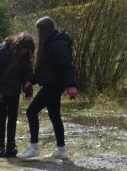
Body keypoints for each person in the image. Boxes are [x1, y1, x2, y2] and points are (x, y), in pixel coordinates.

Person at [16, 16, 79, 160]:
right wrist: (31, 81)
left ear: (45, 30)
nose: (37, 33)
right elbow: (44, 69)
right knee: (55, 116)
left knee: (31, 112)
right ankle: (61, 150)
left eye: (39, 30)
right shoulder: (50, 42)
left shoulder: (58, 44)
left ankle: (33, 148)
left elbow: (66, 65)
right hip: (51, 83)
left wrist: (71, 85)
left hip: (54, 85)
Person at [0, 33, 35, 158]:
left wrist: (28, 91)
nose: (25, 51)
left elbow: (27, 73)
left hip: (14, 89)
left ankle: (11, 147)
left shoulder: (26, 55)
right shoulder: (3, 50)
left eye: (27, 50)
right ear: (18, 45)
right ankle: (1, 147)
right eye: (24, 49)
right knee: (2, 117)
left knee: (13, 118)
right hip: (1, 89)